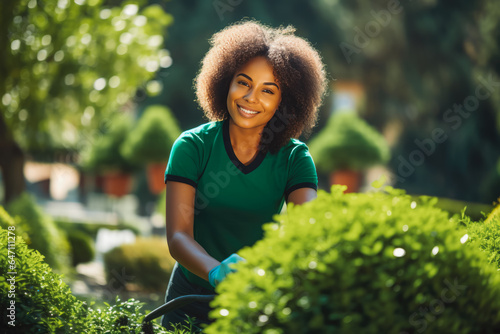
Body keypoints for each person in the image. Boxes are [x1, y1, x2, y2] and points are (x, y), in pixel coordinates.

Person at [161, 20, 327, 330]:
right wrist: (216, 272)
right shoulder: (192, 147)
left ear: (284, 101)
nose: (251, 97)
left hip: (252, 304)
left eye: (268, 90)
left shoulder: (294, 159)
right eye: (243, 82)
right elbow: (178, 236)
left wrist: (265, 274)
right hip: (188, 300)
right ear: (225, 81)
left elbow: (307, 237)